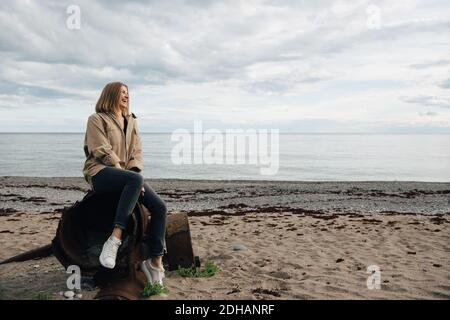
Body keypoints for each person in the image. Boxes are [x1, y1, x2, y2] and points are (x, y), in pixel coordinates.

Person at [82, 82, 167, 285]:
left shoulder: (132, 121)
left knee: (160, 207)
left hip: (128, 177)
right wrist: (126, 174)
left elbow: (136, 152)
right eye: (122, 92)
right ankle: (114, 239)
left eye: (127, 93)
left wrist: (133, 174)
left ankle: (155, 263)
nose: (126, 96)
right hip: (100, 172)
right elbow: (100, 149)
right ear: (110, 95)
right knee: (135, 180)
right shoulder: (96, 119)